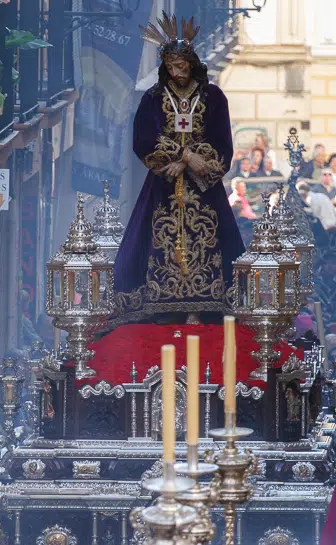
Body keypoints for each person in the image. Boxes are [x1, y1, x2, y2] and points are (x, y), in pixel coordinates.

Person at [109, 13, 243, 327]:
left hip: (202, 190)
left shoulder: (213, 98)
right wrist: (183, 155)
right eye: (171, 67)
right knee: (158, 239)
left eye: (181, 67)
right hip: (164, 185)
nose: (176, 73)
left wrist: (195, 162)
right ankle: (163, 304)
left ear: (192, 64)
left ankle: (201, 306)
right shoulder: (154, 99)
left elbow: (222, 142)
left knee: (206, 238)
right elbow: (143, 138)